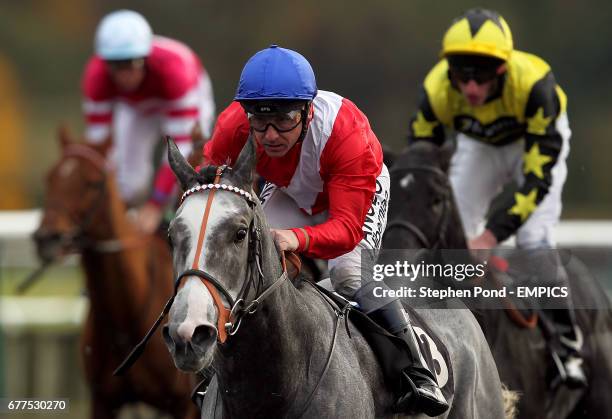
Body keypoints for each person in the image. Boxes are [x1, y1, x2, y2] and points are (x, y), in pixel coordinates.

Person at [203, 45, 449, 415]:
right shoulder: (234, 125)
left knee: (349, 272)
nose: (270, 135)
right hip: (289, 188)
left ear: (308, 110)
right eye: (260, 121)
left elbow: (346, 231)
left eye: (284, 120)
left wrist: (294, 238)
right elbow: (210, 189)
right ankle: (223, 375)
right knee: (253, 268)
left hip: (352, 194)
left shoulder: (347, 135)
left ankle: (415, 367)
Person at [407, 8, 586, 387]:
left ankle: (568, 343)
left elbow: (536, 180)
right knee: (448, 235)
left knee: (532, 242)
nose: (471, 88)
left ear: (503, 70)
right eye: (462, 76)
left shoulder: (537, 86)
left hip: (533, 147)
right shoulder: (436, 88)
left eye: (483, 76)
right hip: (480, 145)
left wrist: (490, 236)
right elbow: (420, 164)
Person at [82, 9, 215, 233]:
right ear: (104, 63)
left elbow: (179, 149)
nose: (124, 75)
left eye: (131, 63)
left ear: (145, 57)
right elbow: (100, 146)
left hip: (185, 96)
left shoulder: (175, 71)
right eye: (116, 66)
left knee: (186, 172)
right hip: (137, 108)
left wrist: (155, 205)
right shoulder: (96, 77)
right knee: (129, 184)